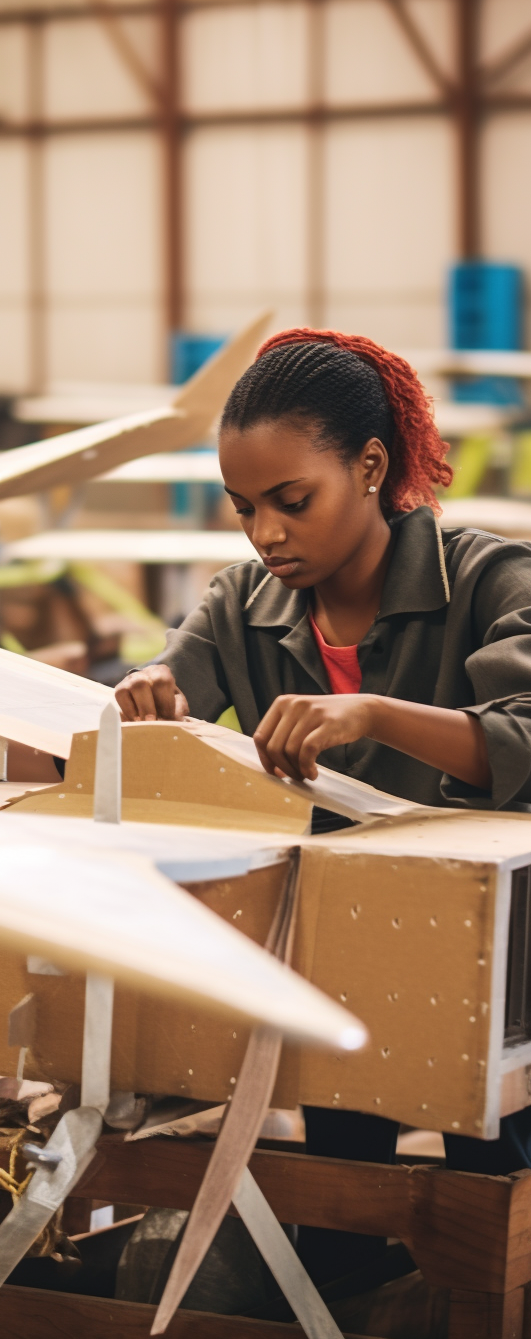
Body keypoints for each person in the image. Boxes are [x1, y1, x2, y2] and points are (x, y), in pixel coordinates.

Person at [114, 329, 531, 1288]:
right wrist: (146, 689)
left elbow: (522, 736)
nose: (266, 533)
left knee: (488, 1212)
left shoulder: (492, 583)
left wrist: (374, 713)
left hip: (498, 973)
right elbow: (169, 681)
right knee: (340, 1206)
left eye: (291, 502)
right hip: (336, 970)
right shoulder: (243, 606)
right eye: (244, 508)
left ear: (372, 466)